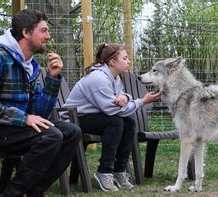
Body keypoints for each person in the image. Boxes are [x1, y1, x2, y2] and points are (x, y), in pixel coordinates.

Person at [0, 9, 81, 196]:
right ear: (26, 32)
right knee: (51, 135)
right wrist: (23, 118)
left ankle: (30, 192)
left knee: (71, 132)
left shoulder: (29, 64)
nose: (48, 37)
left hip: (13, 127)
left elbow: (40, 113)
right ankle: (13, 193)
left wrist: (53, 79)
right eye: (44, 30)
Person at [63, 43, 161, 192]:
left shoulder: (115, 78)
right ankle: (104, 171)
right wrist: (142, 101)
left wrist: (125, 97)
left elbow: (119, 101)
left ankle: (119, 170)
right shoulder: (98, 78)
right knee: (116, 122)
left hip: (94, 115)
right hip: (73, 119)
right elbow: (114, 110)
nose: (129, 61)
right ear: (112, 62)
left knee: (129, 122)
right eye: (125, 58)